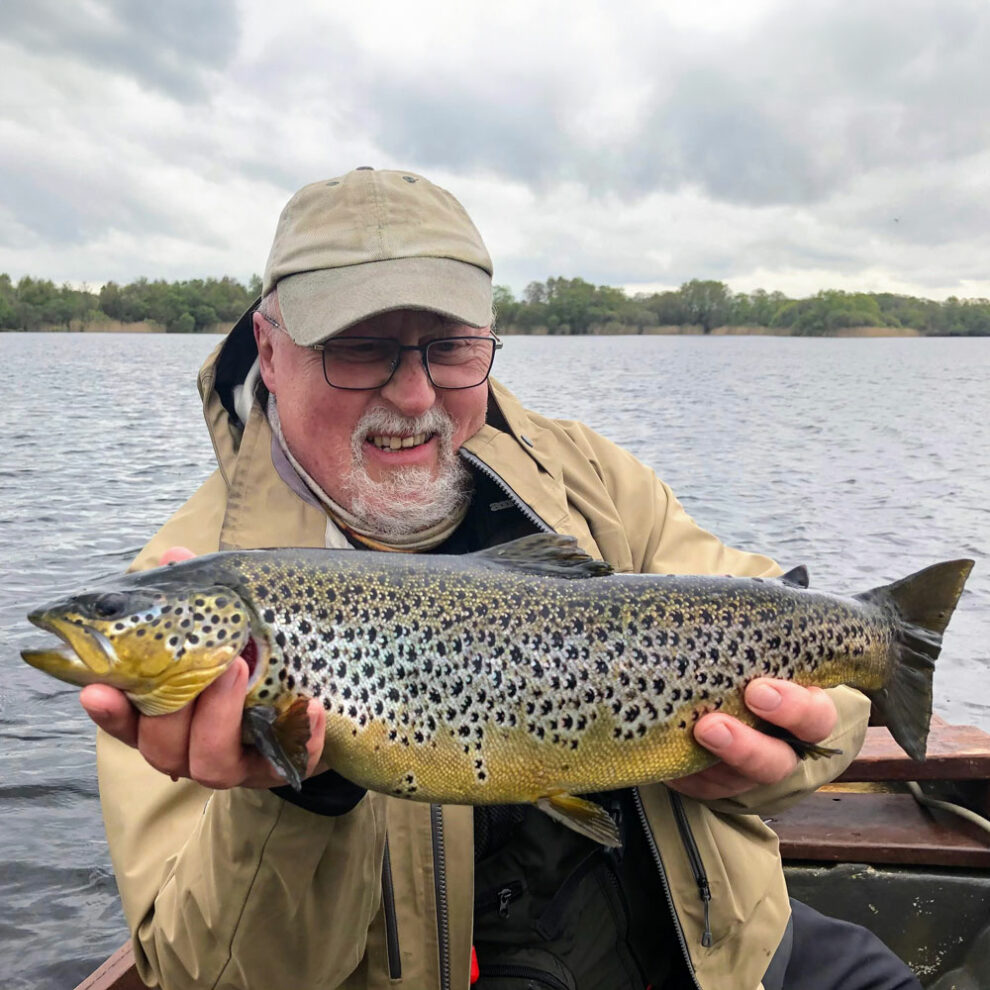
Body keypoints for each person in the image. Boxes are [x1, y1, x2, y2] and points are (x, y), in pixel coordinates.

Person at [80, 168, 919, 990]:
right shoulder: (184, 588)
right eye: (361, 348)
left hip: (736, 953)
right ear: (269, 347)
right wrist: (290, 803)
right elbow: (204, 975)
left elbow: (816, 654)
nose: (413, 395)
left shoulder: (586, 473)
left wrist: (788, 752)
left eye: (448, 348)